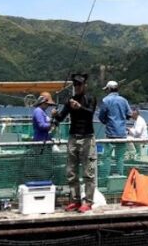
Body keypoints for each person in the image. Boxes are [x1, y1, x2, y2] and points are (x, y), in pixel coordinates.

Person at [53, 73, 97, 213]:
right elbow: (61, 118)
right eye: (75, 84)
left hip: (87, 138)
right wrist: (55, 115)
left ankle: (88, 202)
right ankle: (75, 200)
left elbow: (90, 113)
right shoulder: (70, 101)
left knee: (88, 172)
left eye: (79, 84)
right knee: (71, 172)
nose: (77, 87)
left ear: (85, 85)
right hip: (72, 137)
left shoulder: (90, 98)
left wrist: (80, 107)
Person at [98, 80, 132, 176]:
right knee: (120, 157)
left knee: (106, 157)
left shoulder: (105, 100)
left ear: (108, 89)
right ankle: (120, 177)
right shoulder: (124, 100)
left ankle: (105, 177)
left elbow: (101, 117)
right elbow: (129, 114)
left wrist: (106, 121)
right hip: (122, 133)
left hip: (110, 134)